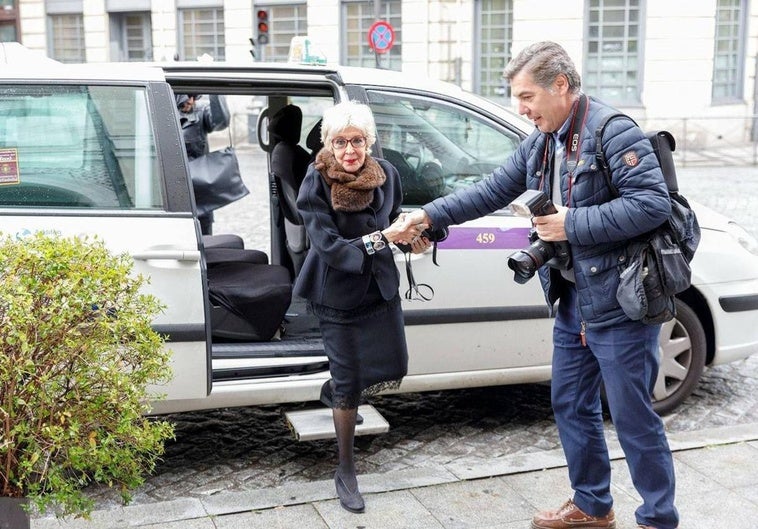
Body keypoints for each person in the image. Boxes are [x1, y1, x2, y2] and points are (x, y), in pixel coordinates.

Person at [400, 41, 679, 529]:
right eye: (518, 98)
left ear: (562, 86)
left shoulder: (614, 132)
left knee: (633, 419)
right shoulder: (542, 141)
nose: (522, 109)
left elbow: (652, 205)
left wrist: (573, 223)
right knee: (570, 404)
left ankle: (659, 517)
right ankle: (593, 506)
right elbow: (491, 189)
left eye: (527, 96)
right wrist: (427, 215)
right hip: (573, 301)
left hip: (620, 305)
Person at [293, 101, 430, 514]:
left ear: (368, 141)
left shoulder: (387, 173)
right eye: (340, 142)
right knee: (351, 382)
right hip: (337, 288)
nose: (349, 150)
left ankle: (335, 390)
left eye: (356, 141)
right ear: (328, 144)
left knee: (393, 364)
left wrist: (416, 233)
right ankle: (346, 469)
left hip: (380, 287)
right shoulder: (314, 181)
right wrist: (381, 239)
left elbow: (396, 215)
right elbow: (329, 246)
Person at [177, 93, 231, 235]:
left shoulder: (201, 112)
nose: (190, 100)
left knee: (205, 242)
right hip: (174, 191)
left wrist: (215, 92)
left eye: (193, 96)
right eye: (186, 96)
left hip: (200, 192)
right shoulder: (164, 113)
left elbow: (221, 122)